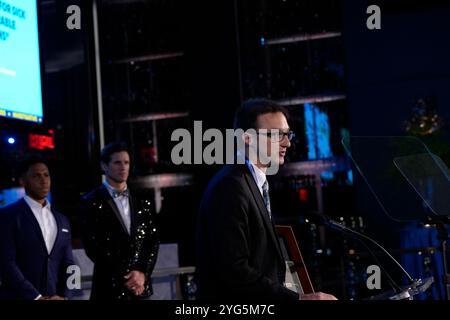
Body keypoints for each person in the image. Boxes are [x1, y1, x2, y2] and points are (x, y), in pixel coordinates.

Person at [196, 98, 337, 300]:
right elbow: (235, 271)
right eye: (277, 135)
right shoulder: (230, 187)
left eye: (287, 134)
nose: (287, 143)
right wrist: (299, 299)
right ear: (247, 139)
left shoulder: (251, 182)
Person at [80, 142, 159, 300]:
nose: (123, 167)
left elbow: (152, 241)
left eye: (126, 162)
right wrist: (128, 276)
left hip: (140, 288)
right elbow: (93, 246)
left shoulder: (143, 199)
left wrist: (142, 273)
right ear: (104, 166)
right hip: (108, 287)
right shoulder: (90, 201)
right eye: (117, 162)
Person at [0, 156, 75, 300]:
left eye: (46, 175)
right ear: (23, 181)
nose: (44, 180)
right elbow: (6, 263)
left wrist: (66, 296)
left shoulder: (62, 220)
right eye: (36, 175)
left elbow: (71, 265)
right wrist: (36, 297)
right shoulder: (7, 216)